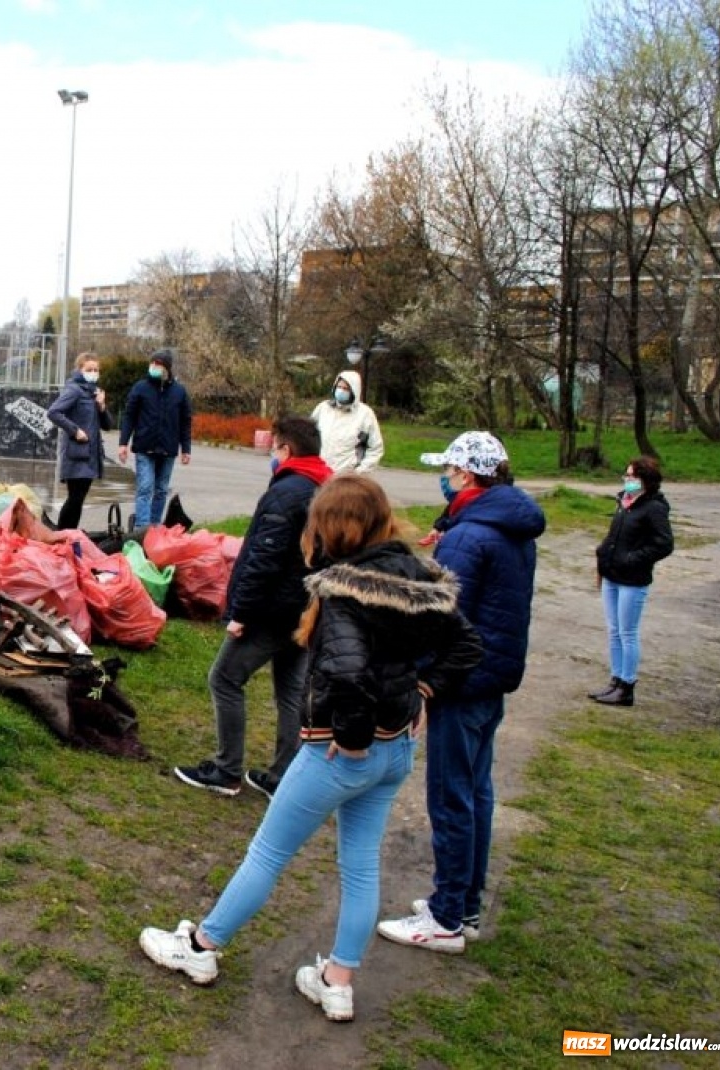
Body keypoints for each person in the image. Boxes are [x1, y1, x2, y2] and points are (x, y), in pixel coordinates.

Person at [139, 475, 481, 1022]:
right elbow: (466, 642)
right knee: (361, 865)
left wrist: (351, 740)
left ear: (333, 526)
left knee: (268, 853)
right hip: (394, 752)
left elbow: (346, 675)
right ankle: (337, 981)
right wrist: (421, 690)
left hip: (341, 753)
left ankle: (200, 948)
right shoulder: (419, 576)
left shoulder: (344, 591)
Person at [377, 431, 545, 954]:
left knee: (450, 797)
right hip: (491, 677)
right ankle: (465, 904)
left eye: (449, 471)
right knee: (476, 792)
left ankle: (446, 917)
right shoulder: (507, 525)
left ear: (468, 476)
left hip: (460, 681)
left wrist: (423, 681)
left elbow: (442, 615)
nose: (444, 479)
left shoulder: (472, 537)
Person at [173, 415, 333, 799]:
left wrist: (241, 612)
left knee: (225, 678)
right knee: (291, 690)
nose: (270, 455)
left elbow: (265, 558)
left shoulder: (286, 493)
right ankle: (285, 775)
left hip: (272, 609)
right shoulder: (328, 487)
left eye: (273, 447)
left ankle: (227, 770)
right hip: (306, 607)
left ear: (286, 449)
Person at [587, 456, 673, 707]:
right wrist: (604, 552)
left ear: (646, 480)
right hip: (611, 575)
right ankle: (615, 680)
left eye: (633, 477)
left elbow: (664, 544)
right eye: (626, 475)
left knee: (628, 632)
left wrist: (632, 559)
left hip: (633, 579)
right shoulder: (624, 502)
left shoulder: (654, 508)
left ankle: (627, 685)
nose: (628, 480)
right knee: (614, 630)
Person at [118, 348, 192, 533]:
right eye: (153, 363)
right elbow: (129, 417)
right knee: (145, 487)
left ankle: (155, 526)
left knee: (161, 490)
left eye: (158, 364)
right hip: (145, 447)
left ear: (167, 368)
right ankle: (142, 529)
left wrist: (186, 449)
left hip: (168, 449)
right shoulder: (141, 388)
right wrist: (123, 443)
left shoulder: (179, 392)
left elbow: (185, 421)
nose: (154, 367)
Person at [46, 353, 112, 530]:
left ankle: (68, 535)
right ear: (79, 370)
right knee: (75, 499)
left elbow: (107, 425)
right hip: (76, 454)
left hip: (91, 455)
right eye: (89, 369)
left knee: (78, 500)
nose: (93, 373)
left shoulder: (94, 393)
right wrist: (75, 431)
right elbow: (53, 412)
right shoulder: (74, 389)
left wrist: (102, 406)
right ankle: (62, 535)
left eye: (96, 370)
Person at [311, 370, 384, 474]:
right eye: (339, 387)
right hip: (319, 473)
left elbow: (375, 448)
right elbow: (308, 437)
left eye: (345, 389)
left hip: (346, 478)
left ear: (354, 391)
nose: (341, 391)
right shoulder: (323, 408)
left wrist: (359, 472)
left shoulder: (365, 414)